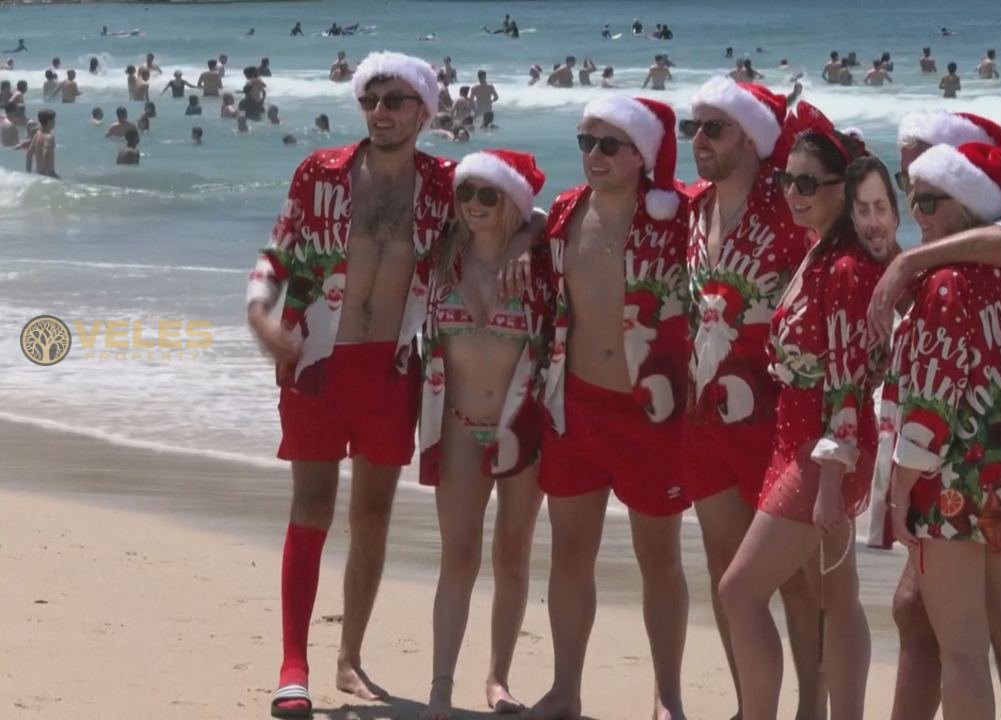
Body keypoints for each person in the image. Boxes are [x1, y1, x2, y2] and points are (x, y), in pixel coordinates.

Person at [245, 51, 455, 720]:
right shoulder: (322, 172)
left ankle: (350, 657)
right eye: (372, 100)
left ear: (423, 111)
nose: (382, 112)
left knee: (372, 517)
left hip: (391, 369)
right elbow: (280, 248)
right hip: (320, 363)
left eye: (396, 100)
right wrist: (260, 314)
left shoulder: (448, 184)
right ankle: (293, 664)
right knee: (310, 509)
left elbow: (516, 221)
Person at [866, 110, 1001, 720]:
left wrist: (900, 492)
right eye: (913, 198)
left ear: (965, 205)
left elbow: (928, 409)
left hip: (949, 486)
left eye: (930, 201)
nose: (917, 214)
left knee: (962, 651)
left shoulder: (946, 282)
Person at [524, 94, 690, 720]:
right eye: (585, 142)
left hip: (652, 413)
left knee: (659, 558)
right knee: (570, 553)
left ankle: (667, 695)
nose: (593, 155)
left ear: (641, 153)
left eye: (608, 144)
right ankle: (566, 690)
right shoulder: (567, 212)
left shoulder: (677, 217)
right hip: (576, 406)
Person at [719, 102, 879, 720]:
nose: (794, 193)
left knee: (740, 592)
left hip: (820, 447)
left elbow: (846, 385)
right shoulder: (817, 252)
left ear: (846, 188)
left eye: (809, 183)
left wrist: (833, 483)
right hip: (800, 438)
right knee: (838, 598)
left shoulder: (842, 268)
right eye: (787, 180)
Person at [680, 79, 823, 720]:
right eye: (694, 128)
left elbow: (846, 256)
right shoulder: (693, 208)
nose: (699, 140)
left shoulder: (788, 203)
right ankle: (749, 706)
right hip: (704, 416)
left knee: (794, 578)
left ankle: (812, 709)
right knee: (723, 566)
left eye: (714, 127)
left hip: (778, 414)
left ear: (749, 136)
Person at [419, 149, 548, 720]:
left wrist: (528, 235)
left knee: (512, 554)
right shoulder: (443, 254)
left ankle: (498, 679)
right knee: (459, 556)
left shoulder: (537, 263)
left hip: (520, 430)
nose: (473, 205)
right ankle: (441, 688)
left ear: (512, 202)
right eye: (466, 193)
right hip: (458, 429)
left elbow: (562, 215)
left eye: (488, 195)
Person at [26, 109, 57, 178]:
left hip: (38, 172)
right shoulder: (49, 137)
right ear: (49, 122)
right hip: (48, 173)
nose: (55, 122)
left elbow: (29, 153)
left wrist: (28, 172)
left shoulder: (37, 134)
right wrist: (46, 172)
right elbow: (46, 152)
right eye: (54, 120)